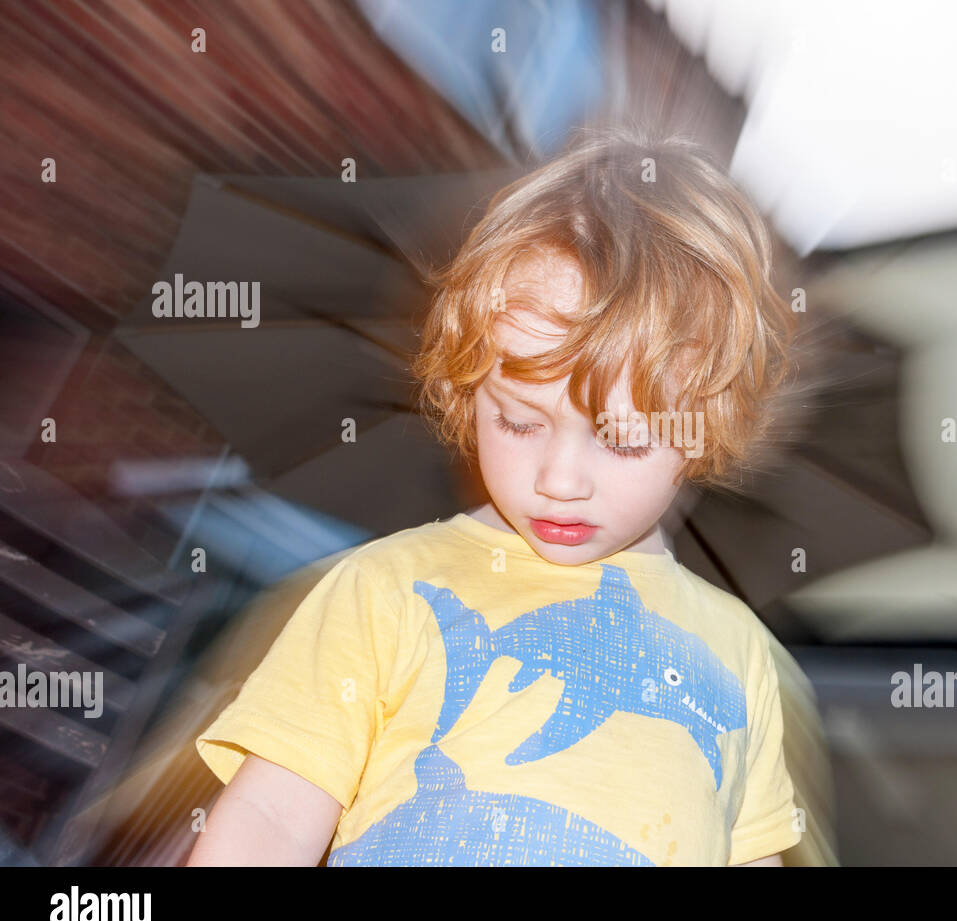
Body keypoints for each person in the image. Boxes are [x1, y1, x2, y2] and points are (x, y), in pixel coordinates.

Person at [187, 126, 802, 866]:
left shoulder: (740, 656)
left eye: (623, 438)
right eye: (517, 420)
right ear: (467, 388)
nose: (560, 479)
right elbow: (270, 822)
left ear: (706, 428)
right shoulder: (381, 591)